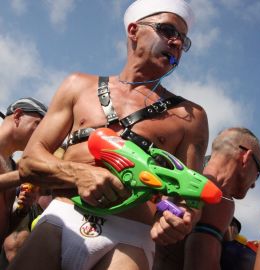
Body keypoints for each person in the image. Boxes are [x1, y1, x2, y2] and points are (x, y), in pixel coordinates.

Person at [7, 1, 208, 269]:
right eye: (168, 30)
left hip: (130, 238)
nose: (176, 43)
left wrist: (181, 220)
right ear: (134, 30)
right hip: (62, 218)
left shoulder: (191, 116)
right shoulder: (77, 85)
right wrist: (80, 174)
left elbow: (189, 194)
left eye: (183, 40)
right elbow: (30, 161)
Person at [183, 127, 260, 270]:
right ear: (245, 158)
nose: (254, 184)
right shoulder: (217, 198)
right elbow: (200, 264)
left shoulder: (184, 181)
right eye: (258, 172)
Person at [0, 97, 47, 247]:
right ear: (18, 116)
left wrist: (22, 209)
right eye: (38, 126)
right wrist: (25, 174)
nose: (41, 135)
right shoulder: (18, 172)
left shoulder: (12, 166)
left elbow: (5, 229)